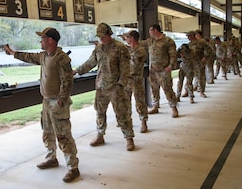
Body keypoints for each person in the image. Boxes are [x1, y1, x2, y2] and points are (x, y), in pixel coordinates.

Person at [2, 27, 80, 182]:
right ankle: (51, 158)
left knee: (63, 135)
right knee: (47, 132)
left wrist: (61, 99)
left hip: (57, 103)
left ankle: (73, 168)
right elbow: (28, 57)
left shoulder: (61, 58)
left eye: (42, 38)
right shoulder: (44, 56)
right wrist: (12, 52)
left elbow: (67, 81)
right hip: (46, 101)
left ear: (50, 40)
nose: (40, 41)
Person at [74, 23, 135, 151]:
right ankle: (100, 135)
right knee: (100, 113)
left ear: (109, 34)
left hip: (115, 88)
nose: (101, 39)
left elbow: (125, 68)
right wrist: (77, 70)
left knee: (122, 113)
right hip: (101, 87)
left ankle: (129, 138)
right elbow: (90, 63)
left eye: (102, 36)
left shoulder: (120, 47)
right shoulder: (98, 49)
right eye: (99, 36)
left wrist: (121, 84)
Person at [140, 24, 179, 117]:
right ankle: (155, 106)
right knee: (154, 89)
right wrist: (126, 39)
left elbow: (173, 55)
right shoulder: (150, 41)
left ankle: (174, 108)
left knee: (167, 89)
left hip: (163, 70)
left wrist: (171, 66)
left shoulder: (168, 41)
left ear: (155, 30)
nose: (149, 32)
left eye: (150, 30)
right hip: (153, 70)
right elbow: (138, 43)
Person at [122, 30, 149, 133]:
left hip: (136, 79)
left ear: (132, 38)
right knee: (125, 102)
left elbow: (133, 64)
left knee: (140, 101)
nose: (126, 39)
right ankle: (127, 122)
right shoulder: (129, 49)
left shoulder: (140, 50)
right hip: (126, 80)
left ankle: (143, 121)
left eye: (127, 37)